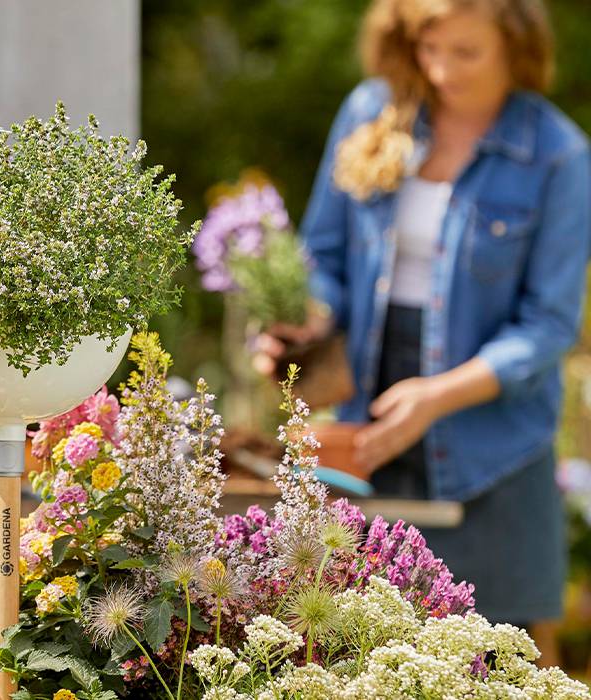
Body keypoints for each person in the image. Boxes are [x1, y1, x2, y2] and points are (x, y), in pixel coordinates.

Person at [252, 0, 590, 658]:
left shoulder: (557, 155)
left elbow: (548, 326)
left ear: (516, 49)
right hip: (367, 426)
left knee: (504, 656)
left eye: (467, 53)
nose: (441, 69)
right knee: (350, 650)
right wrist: (307, 316)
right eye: (429, 48)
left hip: (491, 444)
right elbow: (324, 258)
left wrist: (436, 397)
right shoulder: (370, 113)